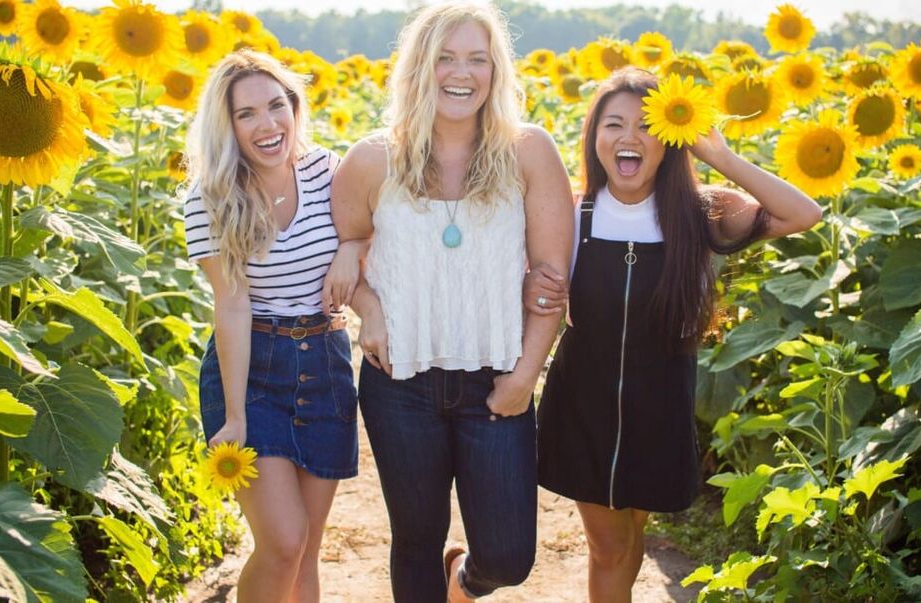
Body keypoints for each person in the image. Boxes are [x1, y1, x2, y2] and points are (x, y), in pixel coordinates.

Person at [526, 67, 822, 602]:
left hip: (660, 402)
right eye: (612, 124)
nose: (628, 138)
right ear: (595, 138)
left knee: (634, 529)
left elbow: (804, 213)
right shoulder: (573, 212)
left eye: (645, 126)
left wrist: (721, 158)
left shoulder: (699, 212)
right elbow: (531, 285)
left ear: (669, 141)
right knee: (610, 545)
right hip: (583, 404)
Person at [330, 2, 574, 601]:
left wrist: (524, 377)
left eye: (476, 58)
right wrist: (373, 310)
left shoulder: (528, 152)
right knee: (415, 539)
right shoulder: (371, 160)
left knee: (510, 557)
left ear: (496, 72)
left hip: (495, 386)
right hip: (399, 384)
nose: (460, 73)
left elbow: (551, 282)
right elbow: (342, 261)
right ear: (419, 67)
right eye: (444, 57)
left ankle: (463, 581)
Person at [183, 49, 362, 603]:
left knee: (308, 547)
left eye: (276, 106)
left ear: (294, 107)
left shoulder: (328, 171)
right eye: (247, 114)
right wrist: (235, 415)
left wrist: (352, 247)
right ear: (227, 126)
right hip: (252, 368)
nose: (267, 125)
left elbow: (366, 226)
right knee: (282, 542)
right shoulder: (209, 198)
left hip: (326, 362)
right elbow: (232, 307)